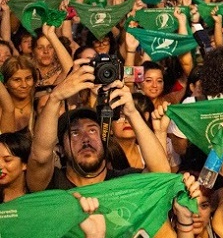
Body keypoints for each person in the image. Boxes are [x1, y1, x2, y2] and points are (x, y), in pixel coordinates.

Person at [26, 61, 170, 191]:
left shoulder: (123, 183)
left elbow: (161, 172)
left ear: (105, 140)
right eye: (75, 133)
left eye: (93, 130)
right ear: (61, 149)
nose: (86, 138)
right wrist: (55, 98)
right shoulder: (51, 185)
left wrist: (132, 112)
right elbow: (40, 157)